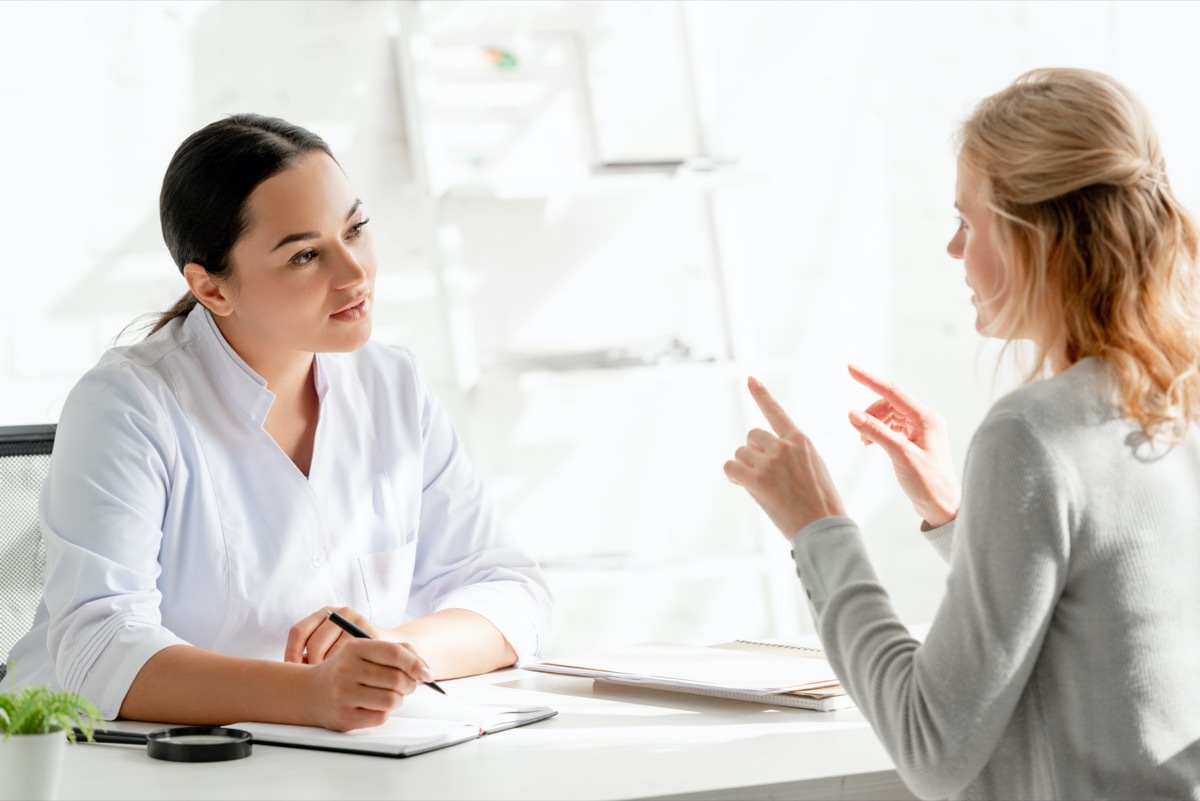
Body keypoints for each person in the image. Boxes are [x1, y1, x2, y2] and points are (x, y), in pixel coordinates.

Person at [725, 68, 1200, 799]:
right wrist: (956, 517)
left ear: (1029, 236)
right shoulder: (1175, 401)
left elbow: (932, 745)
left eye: (966, 223)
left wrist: (818, 526)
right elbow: (1105, 627)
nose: (953, 252)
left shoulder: (1032, 433)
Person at [0, 114, 551, 732]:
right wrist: (309, 694)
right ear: (212, 290)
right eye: (306, 254)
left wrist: (393, 659)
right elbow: (98, 650)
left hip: (315, 758)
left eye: (357, 228)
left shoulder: (393, 385)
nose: (355, 273)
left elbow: (510, 589)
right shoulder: (127, 405)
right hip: (102, 765)